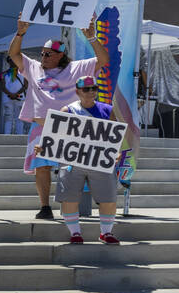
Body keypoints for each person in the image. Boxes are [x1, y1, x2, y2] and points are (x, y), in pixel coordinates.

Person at [8, 18, 109, 219]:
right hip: (41, 127)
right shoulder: (34, 67)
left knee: (71, 169)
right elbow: (14, 54)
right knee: (42, 167)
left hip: (69, 128)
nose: (43, 57)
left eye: (48, 54)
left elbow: (103, 60)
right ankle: (45, 207)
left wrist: (91, 37)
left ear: (60, 55)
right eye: (43, 53)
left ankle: (71, 207)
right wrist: (20, 33)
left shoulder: (76, 68)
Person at [40, 76, 122, 245]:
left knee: (108, 197)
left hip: (99, 160)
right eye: (86, 89)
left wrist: (117, 152)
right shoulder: (67, 111)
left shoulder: (108, 110)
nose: (91, 92)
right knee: (70, 197)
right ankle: (75, 232)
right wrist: (43, 147)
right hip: (72, 161)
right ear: (77, 92)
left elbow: (115, 136)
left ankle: (106, 233)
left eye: (94, 88)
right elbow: (55, 138)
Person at [0, 56, 29, 135]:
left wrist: (16, 94)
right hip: (8, 99)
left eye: (14, 60)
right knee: (8, 117)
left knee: (19, 118)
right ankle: (7, 136)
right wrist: (11, 94)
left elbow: (26, 85)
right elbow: (2, 86)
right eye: (11, 60)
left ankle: (20, 136)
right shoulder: (3, 74)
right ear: (8, 62)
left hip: (19, 98)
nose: (13, 62)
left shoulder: (24, 73)